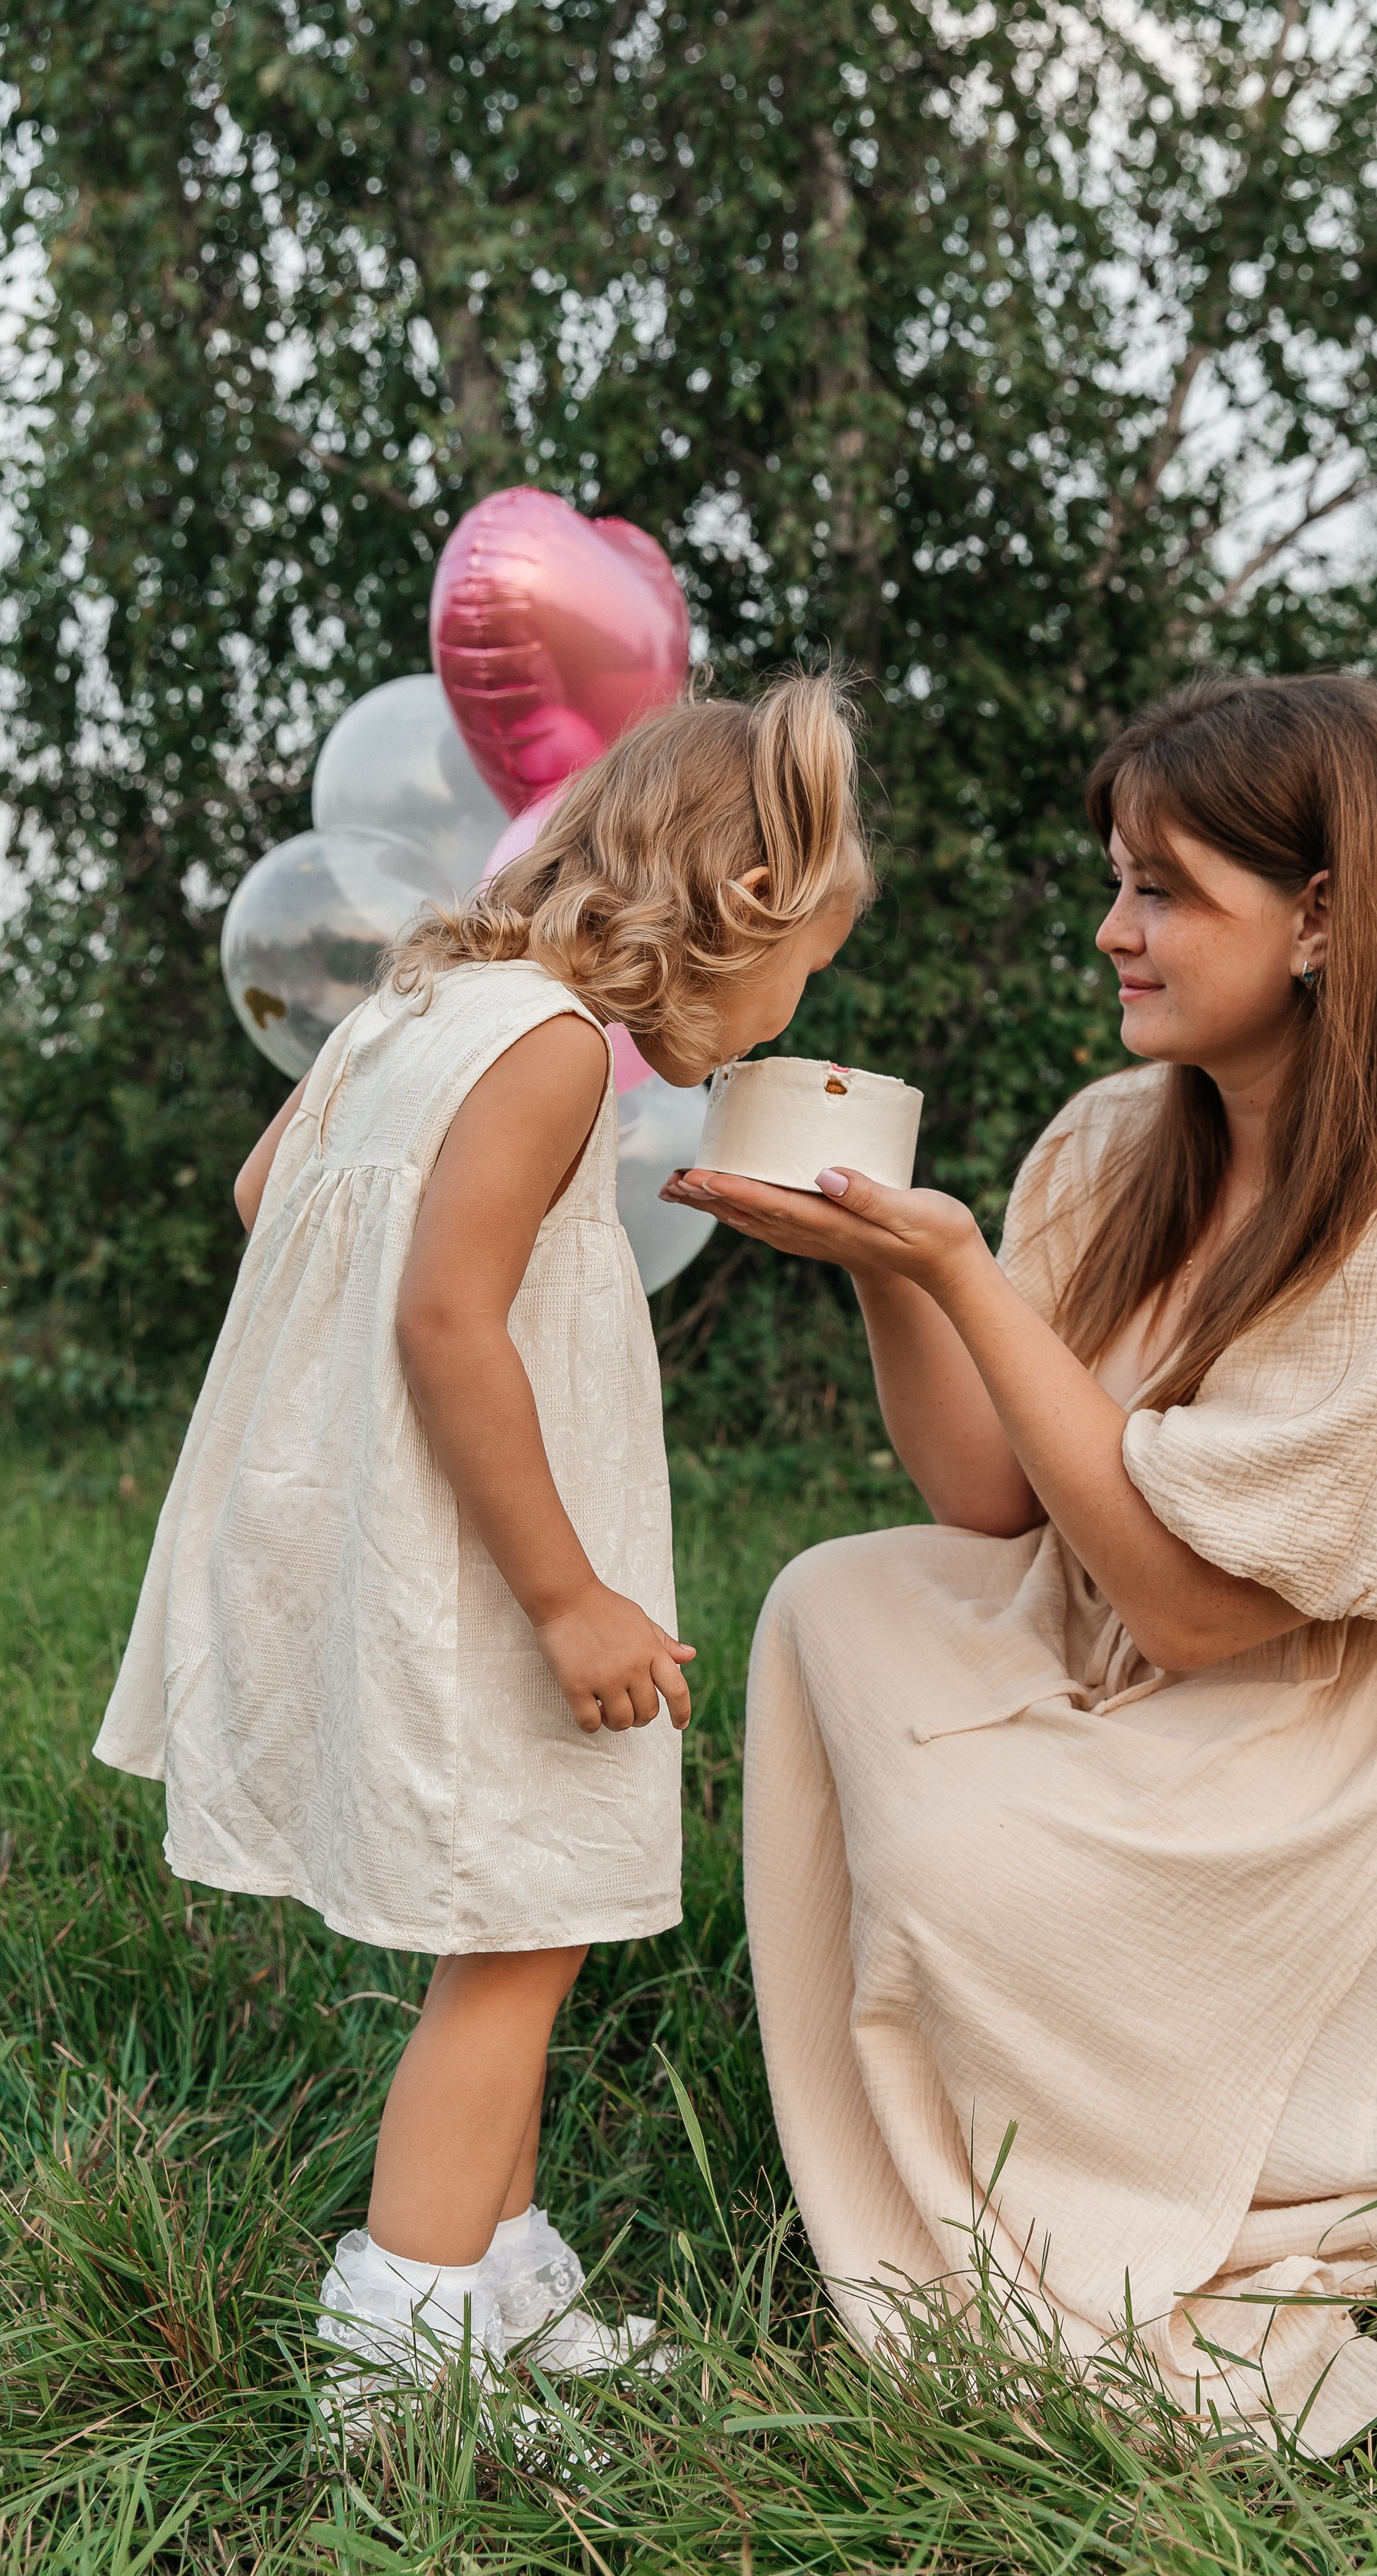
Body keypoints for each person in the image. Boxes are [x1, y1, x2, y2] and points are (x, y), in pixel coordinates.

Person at [664, 673, 1377, 2454]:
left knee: (978, 1871)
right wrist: (892, 1267)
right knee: (837, 1595)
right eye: (1117, 876)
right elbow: (995, 1500)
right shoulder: (1120, 1135)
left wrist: (964, 1273)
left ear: (1322, 915)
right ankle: (1011, 2075)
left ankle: (1113, 2148)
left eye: (1163, 887)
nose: (1113, 930)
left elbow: (1200, 1608)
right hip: (1209, 1657)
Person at [96, 670, 871, 2418]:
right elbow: (451, 1326)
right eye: (800, 969)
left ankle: (498, 2275)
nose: (779, 1020)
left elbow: (261, 1196)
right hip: (486, 1576)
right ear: (725, 910)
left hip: (400, 1537)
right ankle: (404, 2360)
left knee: (521, 1919)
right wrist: (570, 1595)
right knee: (512, 1956)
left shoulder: (426, 1001)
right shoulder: (543, 1052)